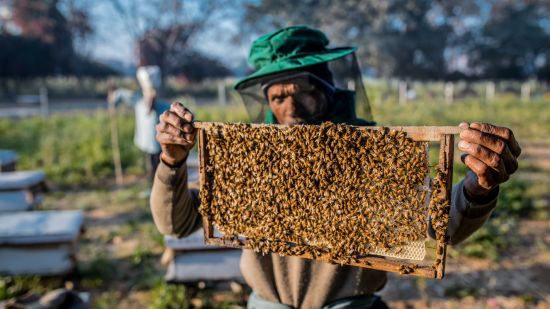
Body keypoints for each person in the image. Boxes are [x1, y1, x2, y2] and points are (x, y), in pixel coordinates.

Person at [150, 26, 521, 309]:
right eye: (279, 97)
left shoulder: (375, 153)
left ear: (328, 89)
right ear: (266, 101)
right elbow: (176, 224)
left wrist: (478, 189)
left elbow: (439, 226)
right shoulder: (251, 157)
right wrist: (171, 159)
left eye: (303, 91)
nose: (291, 108)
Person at [108, 65, 171, 181]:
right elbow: (122, 95)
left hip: (158, 142)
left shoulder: (161, 105)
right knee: (152, 161)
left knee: (158, 161)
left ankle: (157, 183)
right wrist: (114, 95)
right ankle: (154, 182)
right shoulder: (140, 101)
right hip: (150, 140)